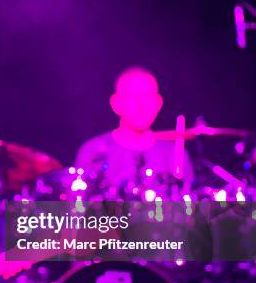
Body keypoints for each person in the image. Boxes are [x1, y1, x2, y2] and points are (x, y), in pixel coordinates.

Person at [75, 66, 193, 199]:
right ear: (116, 104)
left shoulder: (175, 154)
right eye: (132, 96)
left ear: (158, 103)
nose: (141, 104)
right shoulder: (93, 152)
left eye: (147, 96)